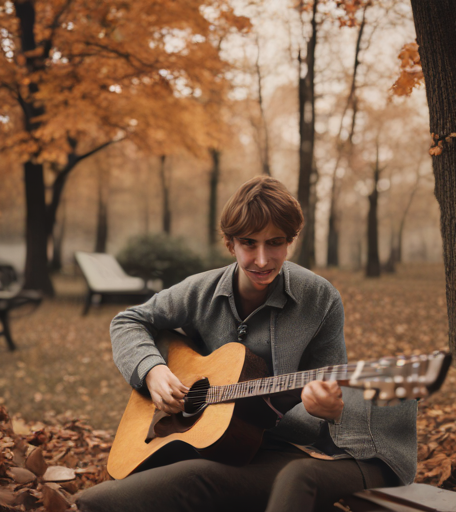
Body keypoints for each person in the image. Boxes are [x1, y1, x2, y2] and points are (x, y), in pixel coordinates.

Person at [77, 176, 417, 512]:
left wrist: (332, 411)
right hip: (200, 441)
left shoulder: (319, 298)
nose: (263, 259)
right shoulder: (200, 290)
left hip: (283, 450)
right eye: (249, 243)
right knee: (96, 502)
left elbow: (330, 387)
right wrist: (152, 370)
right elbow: (128, 320)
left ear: (290, 242)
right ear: (230, 244)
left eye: (275, 243)